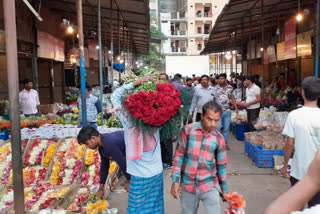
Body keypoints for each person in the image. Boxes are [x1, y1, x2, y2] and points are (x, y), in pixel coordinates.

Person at [111, 74, 164, 214]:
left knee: (136, 208)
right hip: (156, 171)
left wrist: (136, 83)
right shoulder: (158, 117)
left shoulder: (127, 119)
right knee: (155, 208)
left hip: (139, 173)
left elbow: (115, 95)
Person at [171, 101, 228, 214]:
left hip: (209, 184)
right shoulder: (187, 130)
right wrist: (175, 181)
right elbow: (179, 156)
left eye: (216, 120)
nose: (213, 124)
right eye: (209, 119)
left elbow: (221, 166)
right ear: (202, 116)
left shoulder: (219, 138)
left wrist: (224, 190)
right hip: (188, 185)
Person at [280, 76, 320, 208]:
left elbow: (289, 144)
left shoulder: (294, 115)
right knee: (315, 207)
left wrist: (285, 165)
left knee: (298, 207)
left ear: (302, 92)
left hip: (299, 171)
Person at [77, 126, 130, 199]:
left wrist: (129, 180)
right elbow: (104, 166)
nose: (87, 147)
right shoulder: (101, 147)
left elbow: (122, 163)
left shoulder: (108, 144)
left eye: (87, 144)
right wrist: (101, 187)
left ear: (93, 138)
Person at [264, 149, 320, 214]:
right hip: (305, 174)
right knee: (314, 202)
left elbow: (273, 211)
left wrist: (310, 180)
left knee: (298, 204)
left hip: (298, 172)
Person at [215, 73, 238, 150]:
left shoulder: (230, 88)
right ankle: (217, 144)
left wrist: (236, 108)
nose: (220, 80)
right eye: (219, 79)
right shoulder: (215, 88)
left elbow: (232, 98)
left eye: (222, 78)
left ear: (225, 79)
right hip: (217, 111)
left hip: (227, 111)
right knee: (218, 127)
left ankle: (225, 144)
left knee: (226, 128)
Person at [158, 73, 174, 170]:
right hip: (159, 119)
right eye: (159, 79)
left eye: (163, 79)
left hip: (168, 119)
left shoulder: (170, 90)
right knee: (160, 141)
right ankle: (162, 160)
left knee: (167, 141)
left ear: (167, 80)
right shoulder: (156, 89)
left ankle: (168, 162)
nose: (161, 81)